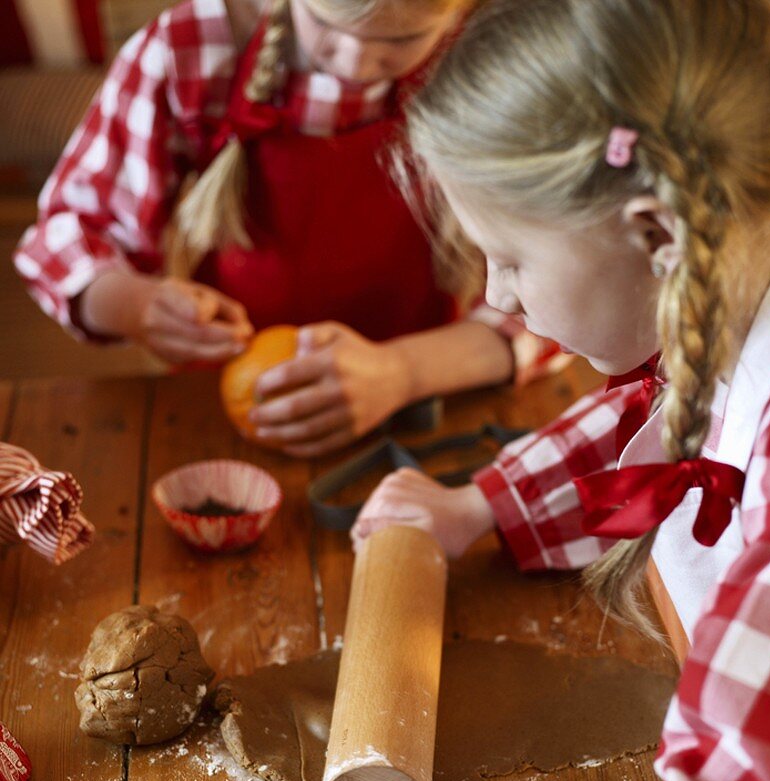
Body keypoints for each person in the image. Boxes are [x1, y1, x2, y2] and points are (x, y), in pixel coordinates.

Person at [289, 0, 770, 781]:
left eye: (513, 261)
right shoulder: (750, 280)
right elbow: (655, 409)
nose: (499, 294)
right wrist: (477, 505)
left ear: (656, 234)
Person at [13, 0, 559, 458]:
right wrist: (135, 305)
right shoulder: (189, 47)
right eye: (324, 23)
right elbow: (66, 233)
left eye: (403, 38)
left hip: (435, 406)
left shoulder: (496, 50)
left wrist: (402, 373)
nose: (356, 59)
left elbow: (568, 295)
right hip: (230, 410)